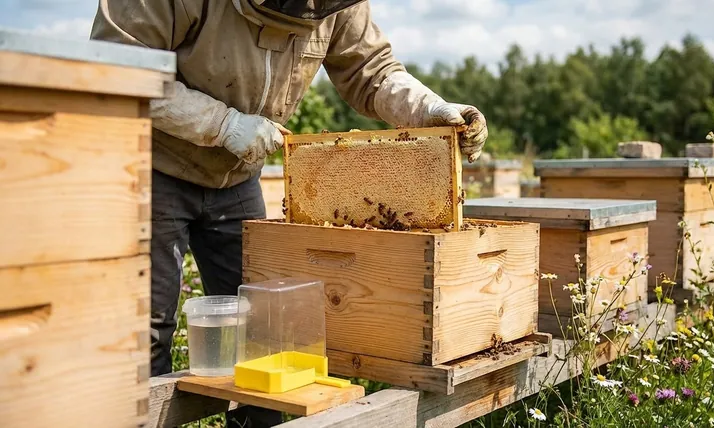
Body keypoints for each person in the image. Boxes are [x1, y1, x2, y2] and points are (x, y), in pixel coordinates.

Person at [90, 1, 488, 426]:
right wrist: (223, 125)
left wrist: (430, 110)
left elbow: (371, 69)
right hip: (150, 164)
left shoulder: (336, 6)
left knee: (263, 328)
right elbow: (120, 67)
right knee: (145, 330)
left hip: (238, 177)